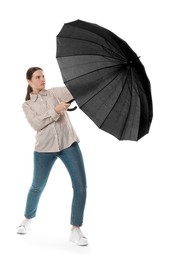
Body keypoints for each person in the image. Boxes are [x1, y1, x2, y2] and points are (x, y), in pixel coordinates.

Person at [17, 67, 88, 246]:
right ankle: (27, 218)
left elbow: (74, 90)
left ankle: (76, 229)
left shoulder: (56, 92)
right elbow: (37, 124)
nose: (42, 79)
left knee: (80, 185)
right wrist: (56, 110)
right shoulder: (27, 105)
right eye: (38, 77)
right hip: (44, 149)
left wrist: (85, 77)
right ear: (29, 81)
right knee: (37, 186)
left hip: (68, 144)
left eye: (43, 76)